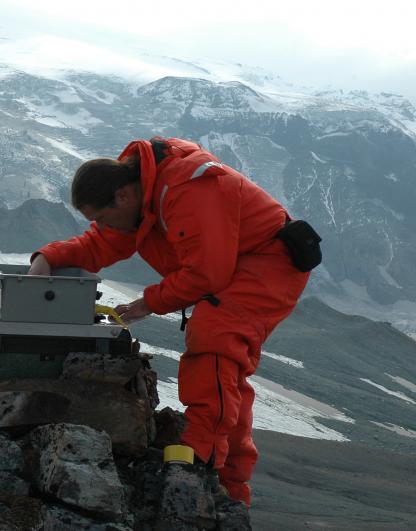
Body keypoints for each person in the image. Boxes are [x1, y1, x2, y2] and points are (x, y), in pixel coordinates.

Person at [27, 137, 311, 506]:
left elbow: (207, 273)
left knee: (214, 336)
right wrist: (47, 258)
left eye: (100, 216)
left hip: (269, 262)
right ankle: (231, 488)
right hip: (240, 263)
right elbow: (100, 244)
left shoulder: (187, 189)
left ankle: (199, 458)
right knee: (229, 375)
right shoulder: (140, 194)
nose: (101, 224)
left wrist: (149, 302)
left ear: (123, 197)